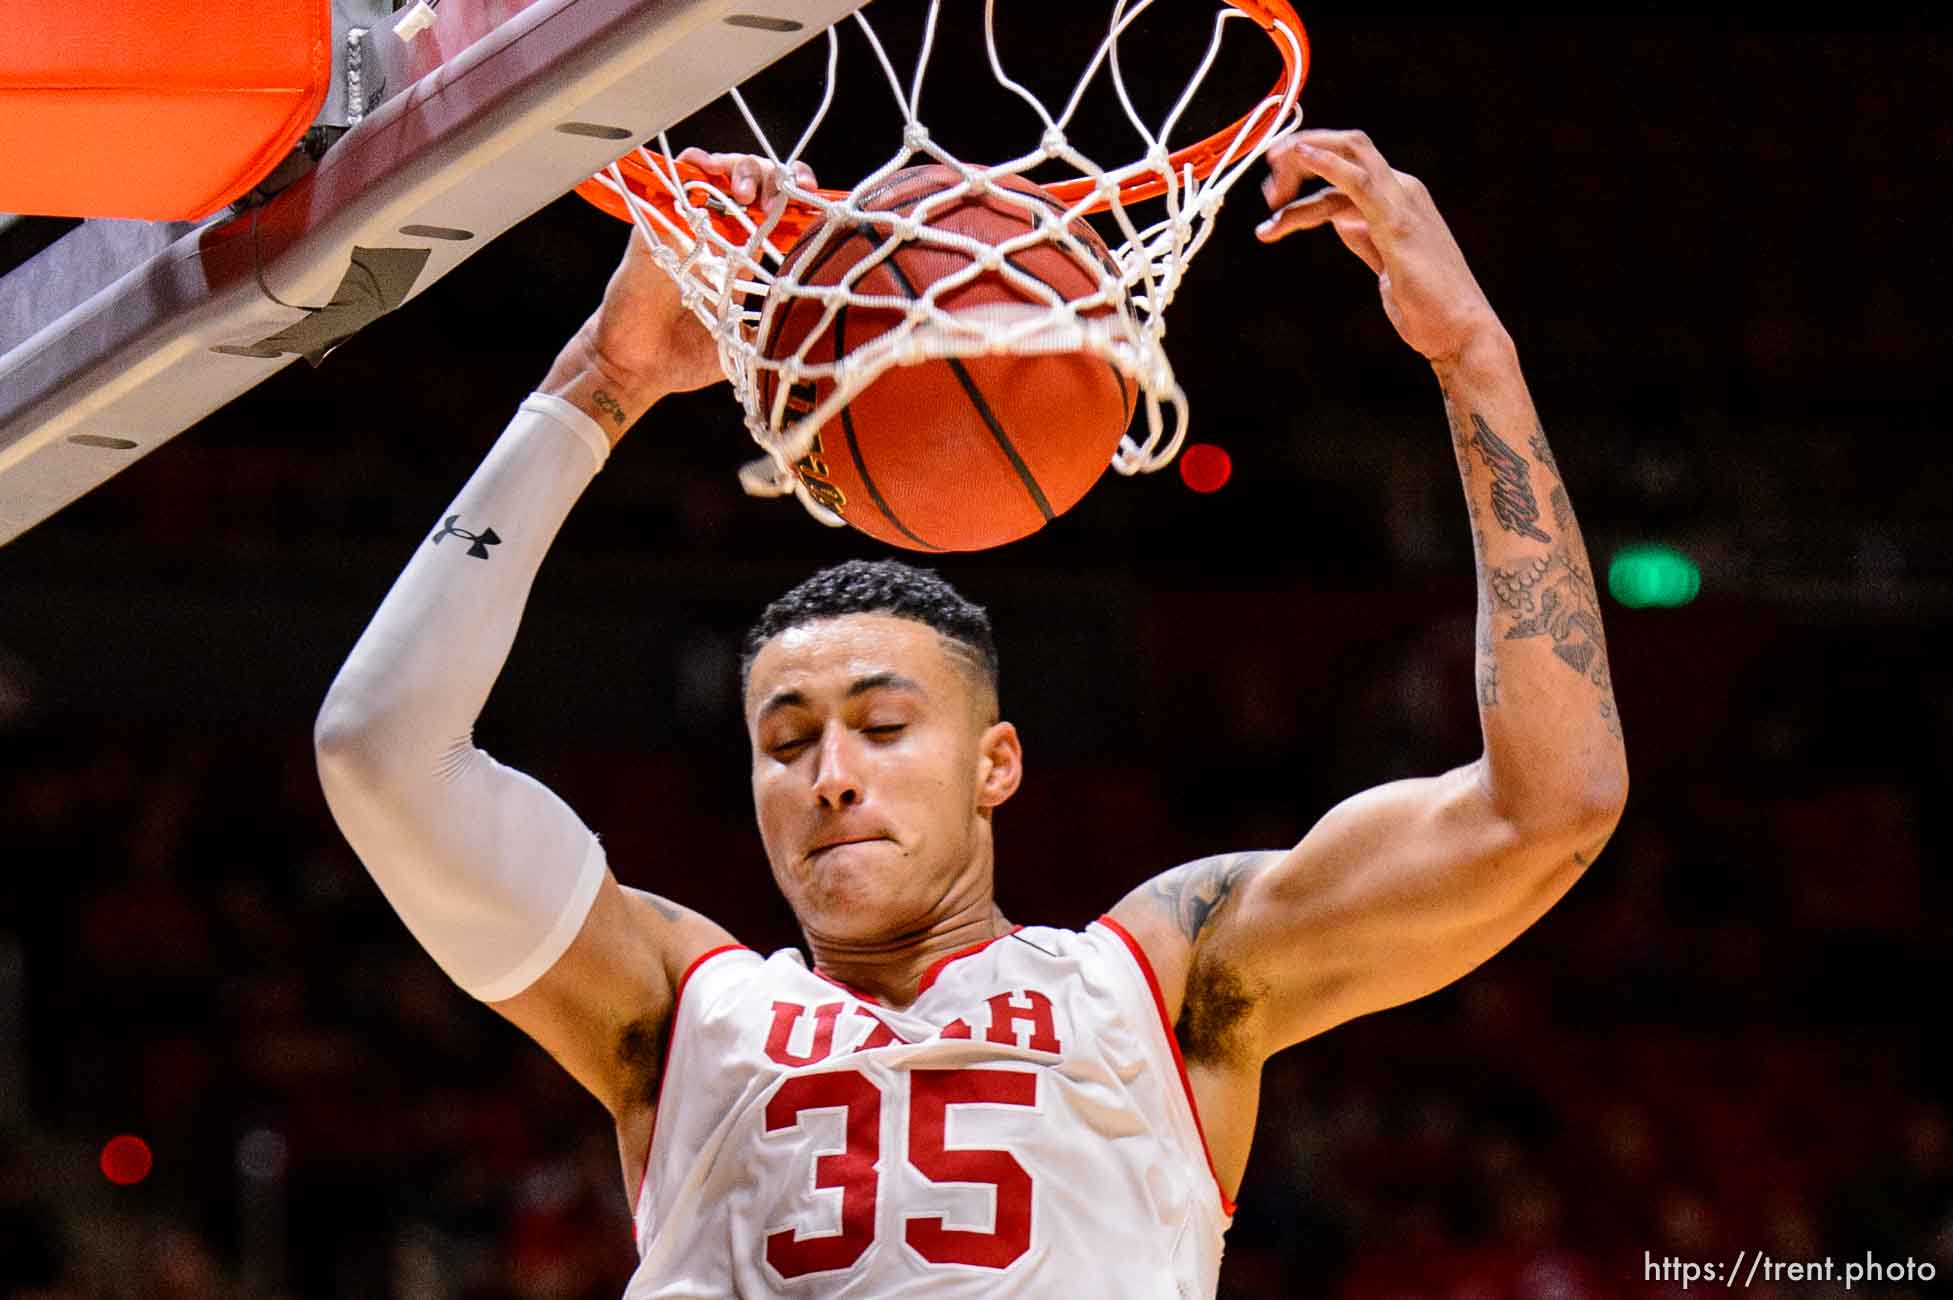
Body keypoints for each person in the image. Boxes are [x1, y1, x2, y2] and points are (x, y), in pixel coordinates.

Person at [315, 131, 1628, 1297]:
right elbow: (378, 751)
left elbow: (1544, 807)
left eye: (883, 727)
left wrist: (1474, 364)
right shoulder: (680, 1017)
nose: (829, 773)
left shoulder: (1154, 984)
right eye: (785, 742)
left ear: (997, 764)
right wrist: (597, 382)